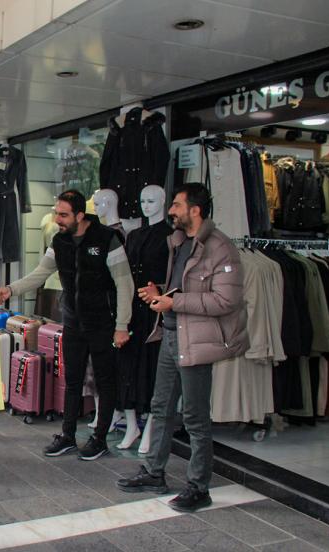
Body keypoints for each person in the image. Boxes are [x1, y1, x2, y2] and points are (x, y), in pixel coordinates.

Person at [116, 183, 249, 512]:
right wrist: (160, 292)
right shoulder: (179, 242)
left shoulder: (221, 249)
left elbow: (226, 300)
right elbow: (182, 288)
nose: (171, 211)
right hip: (172, 335)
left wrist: (173, 302)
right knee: (160, 407)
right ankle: (154, 472)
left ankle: (199, 487)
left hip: (197, 341)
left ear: (195, 210)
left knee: (195, 417)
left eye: (176, 205)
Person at [0, 189, 134, 461]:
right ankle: (68, 436)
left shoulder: (107, 238)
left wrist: (121, 325)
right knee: (72, 380)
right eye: (56, 213)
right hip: (73, 322)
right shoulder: (59, 241)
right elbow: (40, 274)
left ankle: (99, 439)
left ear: (80, 215)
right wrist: (9, 290)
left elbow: (124, 284)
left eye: (63, 214)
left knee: (105, 382)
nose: (57, 219)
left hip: (103, 323)